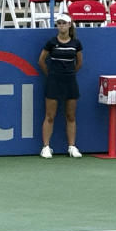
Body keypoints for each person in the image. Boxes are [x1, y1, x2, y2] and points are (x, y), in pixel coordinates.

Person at [38, 15, 82, 159]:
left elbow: (79, 63)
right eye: (59, 23)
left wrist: (68, 74)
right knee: (50, 116)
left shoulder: (76, 43)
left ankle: (72, 147)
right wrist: (52, 75)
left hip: (70, 81)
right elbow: (41, 61)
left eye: (64, 23)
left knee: (71, 116)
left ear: (70, 25)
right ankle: (46, 147)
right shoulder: (51, 42)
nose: (61, 25)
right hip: (53, 81)